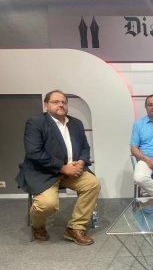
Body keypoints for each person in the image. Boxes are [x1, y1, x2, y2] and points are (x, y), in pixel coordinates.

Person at [15, 90, 101, 245]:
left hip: (72, 170)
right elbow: (34, 153)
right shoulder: (35, 122)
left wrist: (81, 162)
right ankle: (38, 225)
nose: (61, 104)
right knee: (47, 205)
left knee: (92, 184)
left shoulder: (76, 123)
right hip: (43, 172)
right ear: (46, 105)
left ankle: (75, 228)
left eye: (63, 102)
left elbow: (85, 147)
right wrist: (62, 168)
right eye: (55, 102)